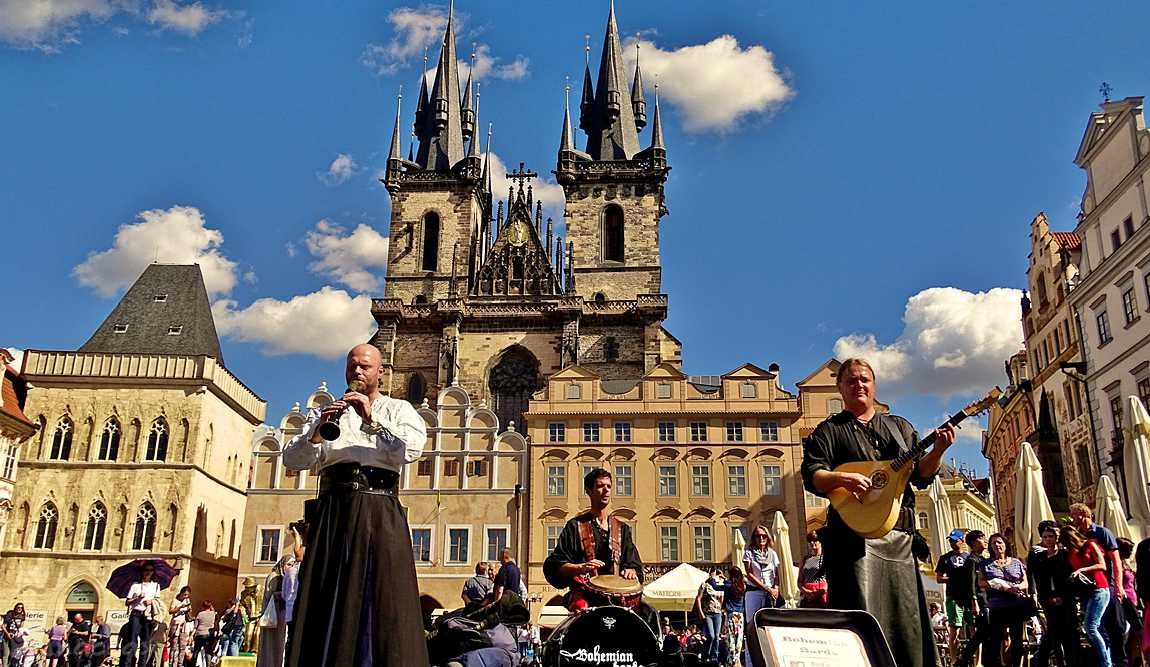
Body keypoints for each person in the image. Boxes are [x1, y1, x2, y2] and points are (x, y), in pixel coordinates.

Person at [801, 358, 957, 667]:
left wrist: (939, 451)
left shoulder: (900, 428)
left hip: (900, 538)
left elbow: (921, 475)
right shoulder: (829, 431)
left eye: (864, 379)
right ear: (840, 388)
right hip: (853, 540)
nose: (858, 385)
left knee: (906, 623)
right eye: (851, 380)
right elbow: (813, 475)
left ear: (874, 385)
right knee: (861, 616)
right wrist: (841, 478)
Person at [282, 343, 429, 667]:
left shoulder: (398, 410)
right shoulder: (326, 411)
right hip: (334, 512)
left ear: (381, 372)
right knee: (326, 594)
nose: (357, 371)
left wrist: (371, 418)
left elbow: (410, 450)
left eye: (364, 366)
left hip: (379, 509)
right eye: (352, 366)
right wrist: (316, 434)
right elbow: (292, 459)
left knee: (383, 596)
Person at [543, 468, 658, 631]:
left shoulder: (622, 529)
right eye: (600, 486)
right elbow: (554, 566)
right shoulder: (575, 526)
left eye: (609, 486)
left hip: (619, 600)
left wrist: (631, 570)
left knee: (650, 615)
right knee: (581, 614)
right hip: (586, 595)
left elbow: (634, 565)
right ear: (589, 491)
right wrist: (580, 567)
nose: (606, 490)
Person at [1072, 502, 1126, 667]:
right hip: (1088, 588)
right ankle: (1106, 661)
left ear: (1083, 514)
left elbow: (1116, 561)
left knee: (1114, 625)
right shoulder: (1078, 535)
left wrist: (1119, 586)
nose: (1071, 517)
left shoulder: (1102, 533)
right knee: (1097, 626)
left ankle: (1120, 661)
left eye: (1073, 514)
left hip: (1106, 584)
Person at [1062, 524, 1111, 667]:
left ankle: (1106, 663)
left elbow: (1102, 565)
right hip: (1086, 591)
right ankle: (1105, 660)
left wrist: (1082, 570)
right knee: (1097, 628)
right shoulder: (1070, 552)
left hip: (1099, 588)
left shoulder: (1090, 545)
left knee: (1090, 626)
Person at [978, 533, 1030, 667]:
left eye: (999, 542)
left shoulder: (1016, 562)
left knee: (1017, 640)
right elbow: (981, 582)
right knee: (996, 639)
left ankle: (1014, 664)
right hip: (997, 606)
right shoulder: (985, 564)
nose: (997, 545)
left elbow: (1025, 583)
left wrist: (1015, 587)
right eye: (993, 543)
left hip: (1016, 605)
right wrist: (999, 585)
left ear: (1005, 544)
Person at [1029, 523, 1075, 666]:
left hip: (1065, 599)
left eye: (1050, 536)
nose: (1048, 539)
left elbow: (1069, 578)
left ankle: (1070, 661)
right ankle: (1057, 661)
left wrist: (1062, 596)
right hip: (1047, 599)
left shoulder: (1064, 554)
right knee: (1054, 632)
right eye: (1045, 537)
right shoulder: (1039, 556)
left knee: (1068, 632)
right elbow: (1036, 577)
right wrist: (1039, 595)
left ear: (1056, 538)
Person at [935, 529, 971, 664]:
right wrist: (954, 579)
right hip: (953, 597)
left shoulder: (969, 558)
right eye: (950, 541)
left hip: (969, 597)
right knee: (954, 629)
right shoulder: (945, 558)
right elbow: (939, 578)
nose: (952, 543)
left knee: (974, 628)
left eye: (955, 540)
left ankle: (977, 660)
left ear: (962, 541)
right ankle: (954, 659)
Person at [955, 530, 989, 667]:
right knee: (983, 631)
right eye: (981, 538)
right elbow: (971, 582)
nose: (985, 541)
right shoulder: (972, 561)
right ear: (974, 543)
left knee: (983, 632)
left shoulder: (982, 559)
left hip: (986, 599)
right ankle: (963, 659)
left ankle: (963, 659)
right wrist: (974, 601)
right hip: (981, 600)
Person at [119, 563, 160, 667]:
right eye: (146, 569)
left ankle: (142, 665)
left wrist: (151, 602)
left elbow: (158, 601)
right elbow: (127, 602)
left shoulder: (156, 586)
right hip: (136, 614)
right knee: (132, 640)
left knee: (145, 642)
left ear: (153, 572)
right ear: (142, 572)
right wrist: (137, 598)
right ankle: (128, 664)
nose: (148, 572)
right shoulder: (135, 585)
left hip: (148, 615)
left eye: (151, 570)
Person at [1118, 537, 1143, 666]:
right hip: (1125, 603)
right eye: (1129, 549)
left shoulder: (1126, 564)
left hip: (1134, 602)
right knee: (1126, 633)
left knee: (1135, 636)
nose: (1131, 552)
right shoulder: (1117, 565)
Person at [715, 566, 746, 667]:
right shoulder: (742, 586)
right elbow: (731, 583)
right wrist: (724, 578)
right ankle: (737, 660)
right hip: (740, 615)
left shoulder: (729, 586)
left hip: (731, 614)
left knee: (731, 637)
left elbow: (715, 587)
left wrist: (712, 578)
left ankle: (732, 661)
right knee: (739, 637)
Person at [694, 568, 725, 664]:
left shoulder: (720, 585)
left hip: (717, 613)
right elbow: (698, 598)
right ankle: (706, 654)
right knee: (711, 636)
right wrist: (701, 612)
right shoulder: (705, 584)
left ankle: (714, 657)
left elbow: (721, 599)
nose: (715, 576)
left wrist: (720, 609)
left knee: (716, 636)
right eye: (714, 573)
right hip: (708, 613)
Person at [798, 531, 827, 608]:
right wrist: (806, 592)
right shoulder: (805, 559)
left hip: (822, 595)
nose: (811, 542)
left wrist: (820, 591)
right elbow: (799, 581)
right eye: (809, 540)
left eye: (814, 540)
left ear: (820, 542)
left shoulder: (826, 558)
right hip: (807, 596)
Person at [168, 587, 193, 667]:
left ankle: (180, 664)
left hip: (184, 625)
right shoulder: (175, 601)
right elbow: (170, 611)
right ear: (181, 593)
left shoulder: (187, 601)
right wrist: (180, 607)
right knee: (174, 646)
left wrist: (189, 609)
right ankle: (172, 663)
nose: (186, 596)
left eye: (188, 595)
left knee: (182, 646)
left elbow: (190, 612)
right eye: (185, 594)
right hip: (175, 625)